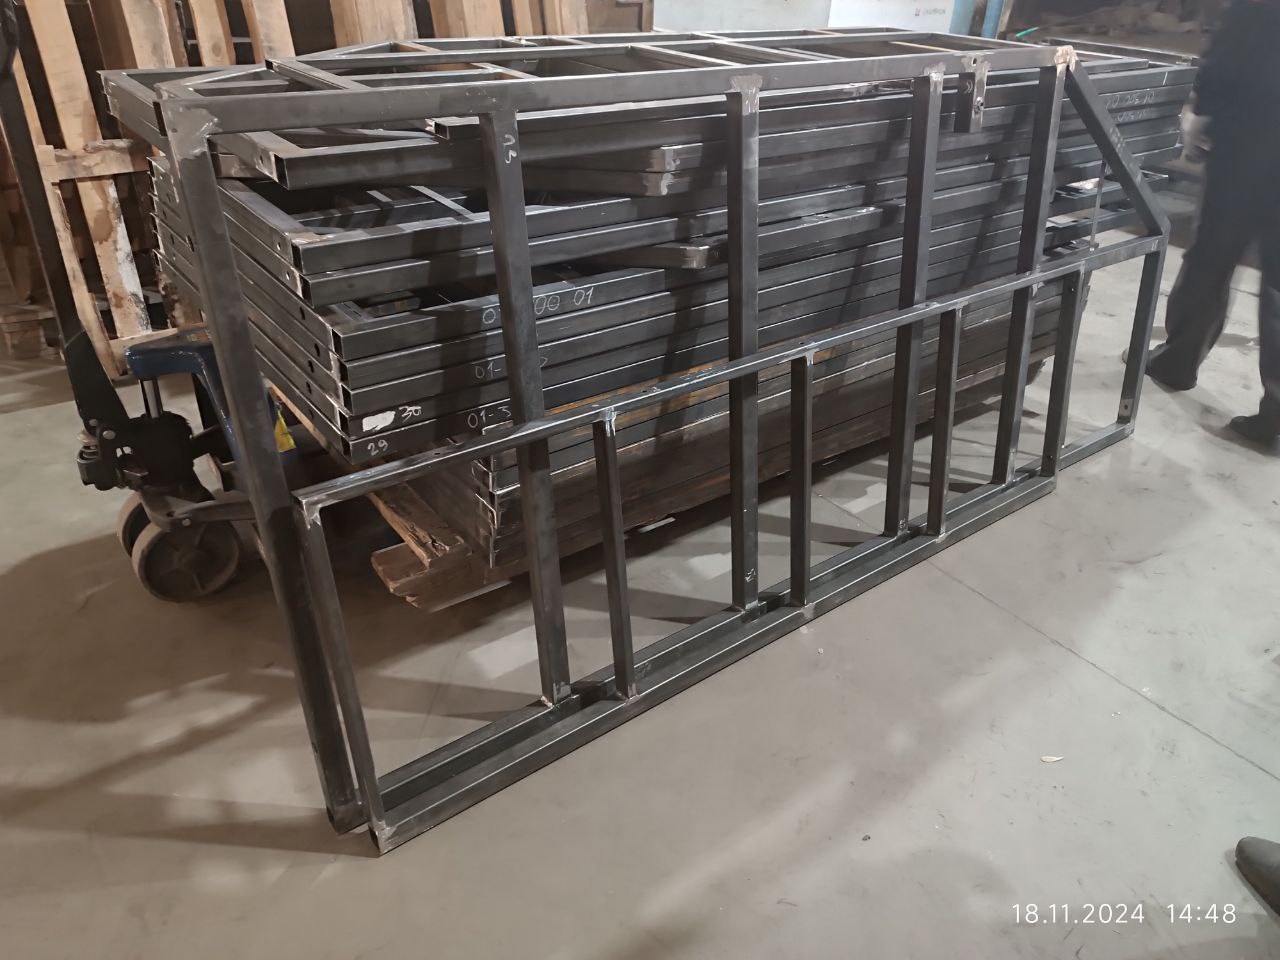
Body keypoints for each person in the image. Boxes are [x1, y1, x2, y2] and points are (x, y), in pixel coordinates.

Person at [1144, 0, 1280, 446]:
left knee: (1213, 254)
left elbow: (1237, 47)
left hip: (1253, 135)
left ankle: (1177, 362)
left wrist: (1203, 111)